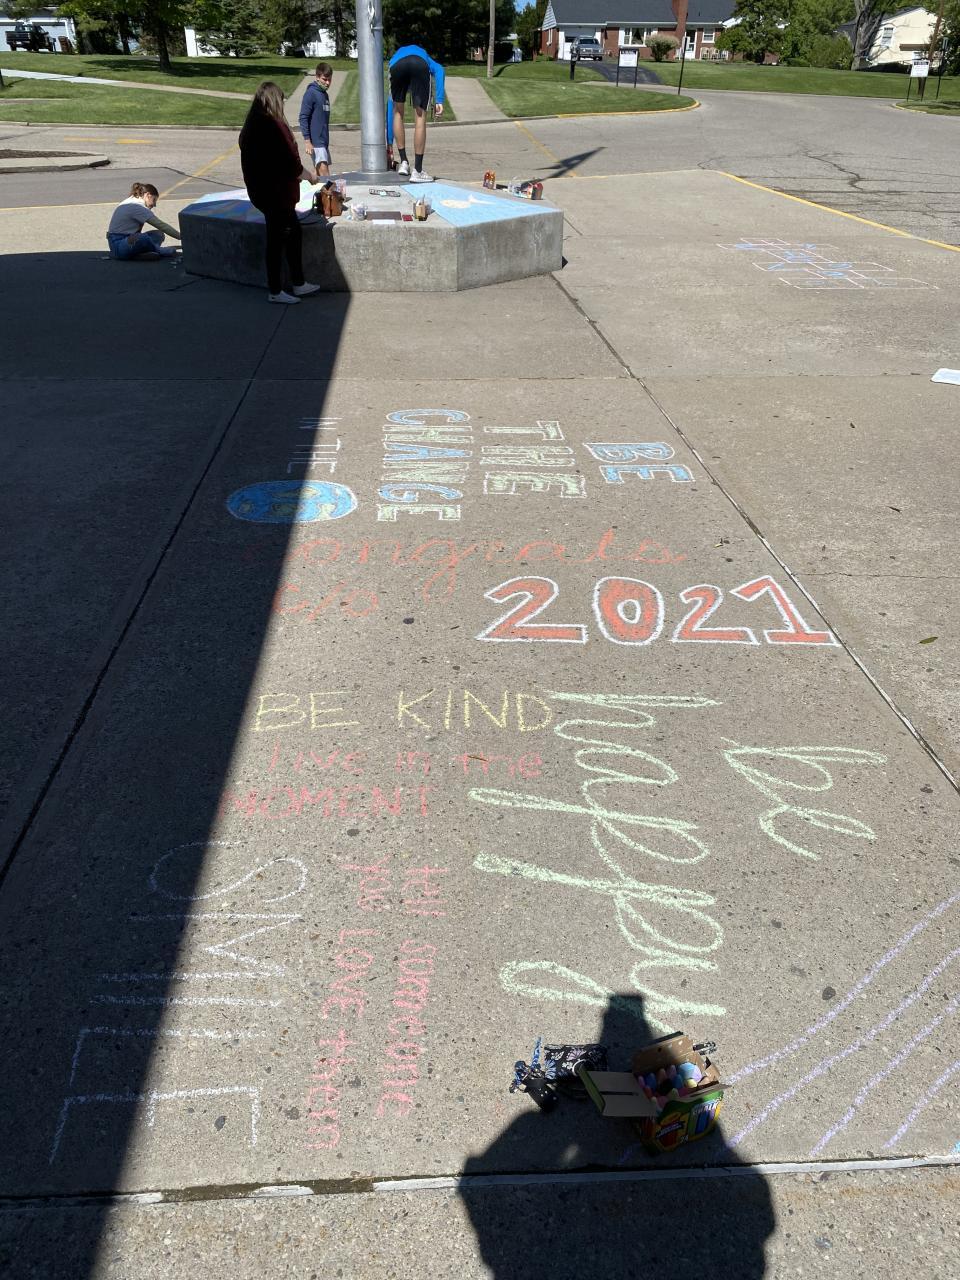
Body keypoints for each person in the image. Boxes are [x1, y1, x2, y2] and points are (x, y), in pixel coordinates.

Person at [239, 80, 322, 305]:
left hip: (262, 192)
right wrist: (310, 176)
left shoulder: (252, 125)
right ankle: (276, 290)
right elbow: (290, 163)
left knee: (292, 232)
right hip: (276, 194)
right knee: (277, 240)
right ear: (275, 101)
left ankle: (298, 282)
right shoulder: (273, 126)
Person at [386, 43, 445, 183]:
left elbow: (390, 108)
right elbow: (440, 70)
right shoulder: (425, 57)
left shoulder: (393, 59)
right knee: (420, 116)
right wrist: (439, 100)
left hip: (397, 67)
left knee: (397, 112)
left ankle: (404, 162)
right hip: (419, 64)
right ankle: (417, 171)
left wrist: (389, 145)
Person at [106, 182, 180, 260]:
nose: (154, 204)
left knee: (159, 234)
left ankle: (138, 254)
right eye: (154, 200)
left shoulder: (133, 200)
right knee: (142, 238)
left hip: (125, 240)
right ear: (148, 195)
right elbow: (161, 225)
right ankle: (158, 251)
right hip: (118, 245)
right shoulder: (137, 206)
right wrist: (182, 237)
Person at [299, 62, 333, 179]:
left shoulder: (325, 95)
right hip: (316, 143)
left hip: (324, 142)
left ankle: (302, 186)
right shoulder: (311, 93)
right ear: (317, 77)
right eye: (324, 79)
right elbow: (303, 117)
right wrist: (307, 141)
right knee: (326, 177)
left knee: (317, 176)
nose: (327, 83)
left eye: (329, 80)